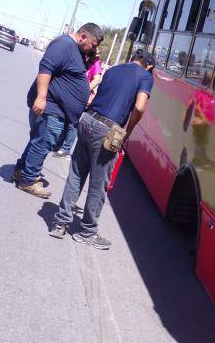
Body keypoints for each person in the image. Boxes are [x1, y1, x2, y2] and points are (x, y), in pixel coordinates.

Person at [48, 49, 155, 249]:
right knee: (98, 183)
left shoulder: (113, 70)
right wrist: (127, 131)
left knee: (76, 175)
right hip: (108, 129)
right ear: (148, 66)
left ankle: (60, 223)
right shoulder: (146, 76)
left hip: (87, 119)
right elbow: (139, 107)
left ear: (133, 59)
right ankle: (86, 231)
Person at [13, 23, 103, 198]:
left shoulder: (75, 50)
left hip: (55, 107)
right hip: (50, 106)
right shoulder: (64, 44)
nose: (94, 49)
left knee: (38, 141)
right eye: (93, 44)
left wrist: (89, 60)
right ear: (83, 36)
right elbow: (46, 68)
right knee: (42, 143)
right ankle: (28, 180)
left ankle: (21, 171)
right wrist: (41, 97)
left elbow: (70, 74)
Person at [52, 52, 104, 158]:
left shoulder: (95, 62)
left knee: (72, 122)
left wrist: (84, 91)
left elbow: (97, 79)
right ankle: (58, 144)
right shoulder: (80, 57)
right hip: (70, 94)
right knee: (64, 118)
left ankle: (66, 148)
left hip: (79, 97)